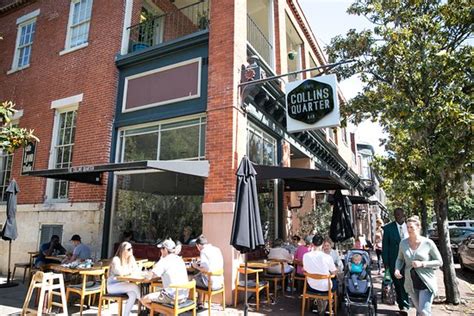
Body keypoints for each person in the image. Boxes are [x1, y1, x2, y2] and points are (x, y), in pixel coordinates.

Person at [395, 216, 442, 316]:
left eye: (411, 227)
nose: (409, 230)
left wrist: (423, 264)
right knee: (419, 311)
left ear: (418, 227)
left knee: (424, 311)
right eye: (407, 227)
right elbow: (400, 259)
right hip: (411, 282)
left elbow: (439, 261)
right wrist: (397, 269)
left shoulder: (428, 243)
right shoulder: (403, 243)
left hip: (426, 281)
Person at [140, 239, 189, 308]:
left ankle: (160, 311)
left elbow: (149, 277)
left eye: (161, 249)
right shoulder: (179, 259)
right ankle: (160, 312)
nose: (160, 250)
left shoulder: (164, 261)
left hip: (172, 297)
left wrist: (144, 273)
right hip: (183, 296)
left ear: (165, 250)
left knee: (143, 299)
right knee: (158, 291)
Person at [382, 208, 410, 313]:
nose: (397, 216)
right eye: (395, 214)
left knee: (407, 283)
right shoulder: (388, 228)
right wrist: (386, 262)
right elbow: (385, 247)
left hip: (408, 261)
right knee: (398, 284)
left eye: (399, 214)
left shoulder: (409, 227)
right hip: (394, 260)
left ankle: (405, 302)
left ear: (404, 215)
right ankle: (403, 305)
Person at [303, 234, 337, 315]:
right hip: (325, 287)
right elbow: (334, 272)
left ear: (312, 244)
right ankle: (328, 305)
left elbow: (305, 269)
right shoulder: (327, 257)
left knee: (323, 282)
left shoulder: (305, 256)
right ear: (322, 244)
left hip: (311, 285)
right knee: (335, 281)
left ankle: (319, 302)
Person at [107, 241, 141, 316]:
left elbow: (137, 271)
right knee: (134, 286)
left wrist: (132, 262)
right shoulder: (116, 259)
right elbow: (120, 272)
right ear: (123, 250)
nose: (131, 250)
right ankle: (144, 303)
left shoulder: (130, 259)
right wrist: (130, 270)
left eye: (131, 248)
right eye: (128, 249)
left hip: (124, 285)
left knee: (133, 294)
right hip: (113, 286)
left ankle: (126, 314)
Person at [192, 235, 224, 308]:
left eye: (197, 247)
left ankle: (192, 304)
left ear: (198, 245)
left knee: (192, 280)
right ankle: (199, 302)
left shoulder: (203, 251)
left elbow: (205, 269)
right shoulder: (217, 249)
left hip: (211, 283)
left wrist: (195, 266)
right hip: (220, 281)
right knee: (198, 276)